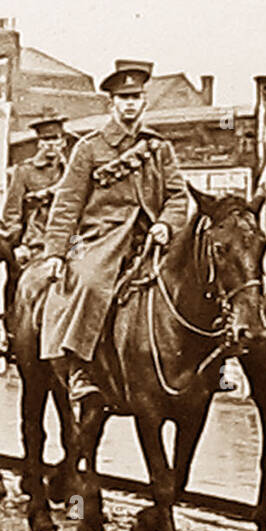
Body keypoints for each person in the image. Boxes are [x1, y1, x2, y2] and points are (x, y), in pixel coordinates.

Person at [41, 67, 189, 403]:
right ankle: (79, 367)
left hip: (150, 238)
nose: (130, 104)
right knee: (91, 281)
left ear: (144, 101)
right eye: (123, 98)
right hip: (99, 238)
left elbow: (178, 195)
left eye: (135, 97)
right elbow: (67, 205)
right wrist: (55, 252)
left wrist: (166, 223)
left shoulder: (158, 147)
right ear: (112, 104)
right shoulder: (88, 149)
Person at [3, 116, 70, 263]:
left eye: (55, 139)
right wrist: (17, 245)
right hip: (36, 240)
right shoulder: (24, 171)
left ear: (63, 142)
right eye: (46, 140)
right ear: (39, 143)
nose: (51, 144)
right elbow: (12, 213)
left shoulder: (72, 171)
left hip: (70, 238)